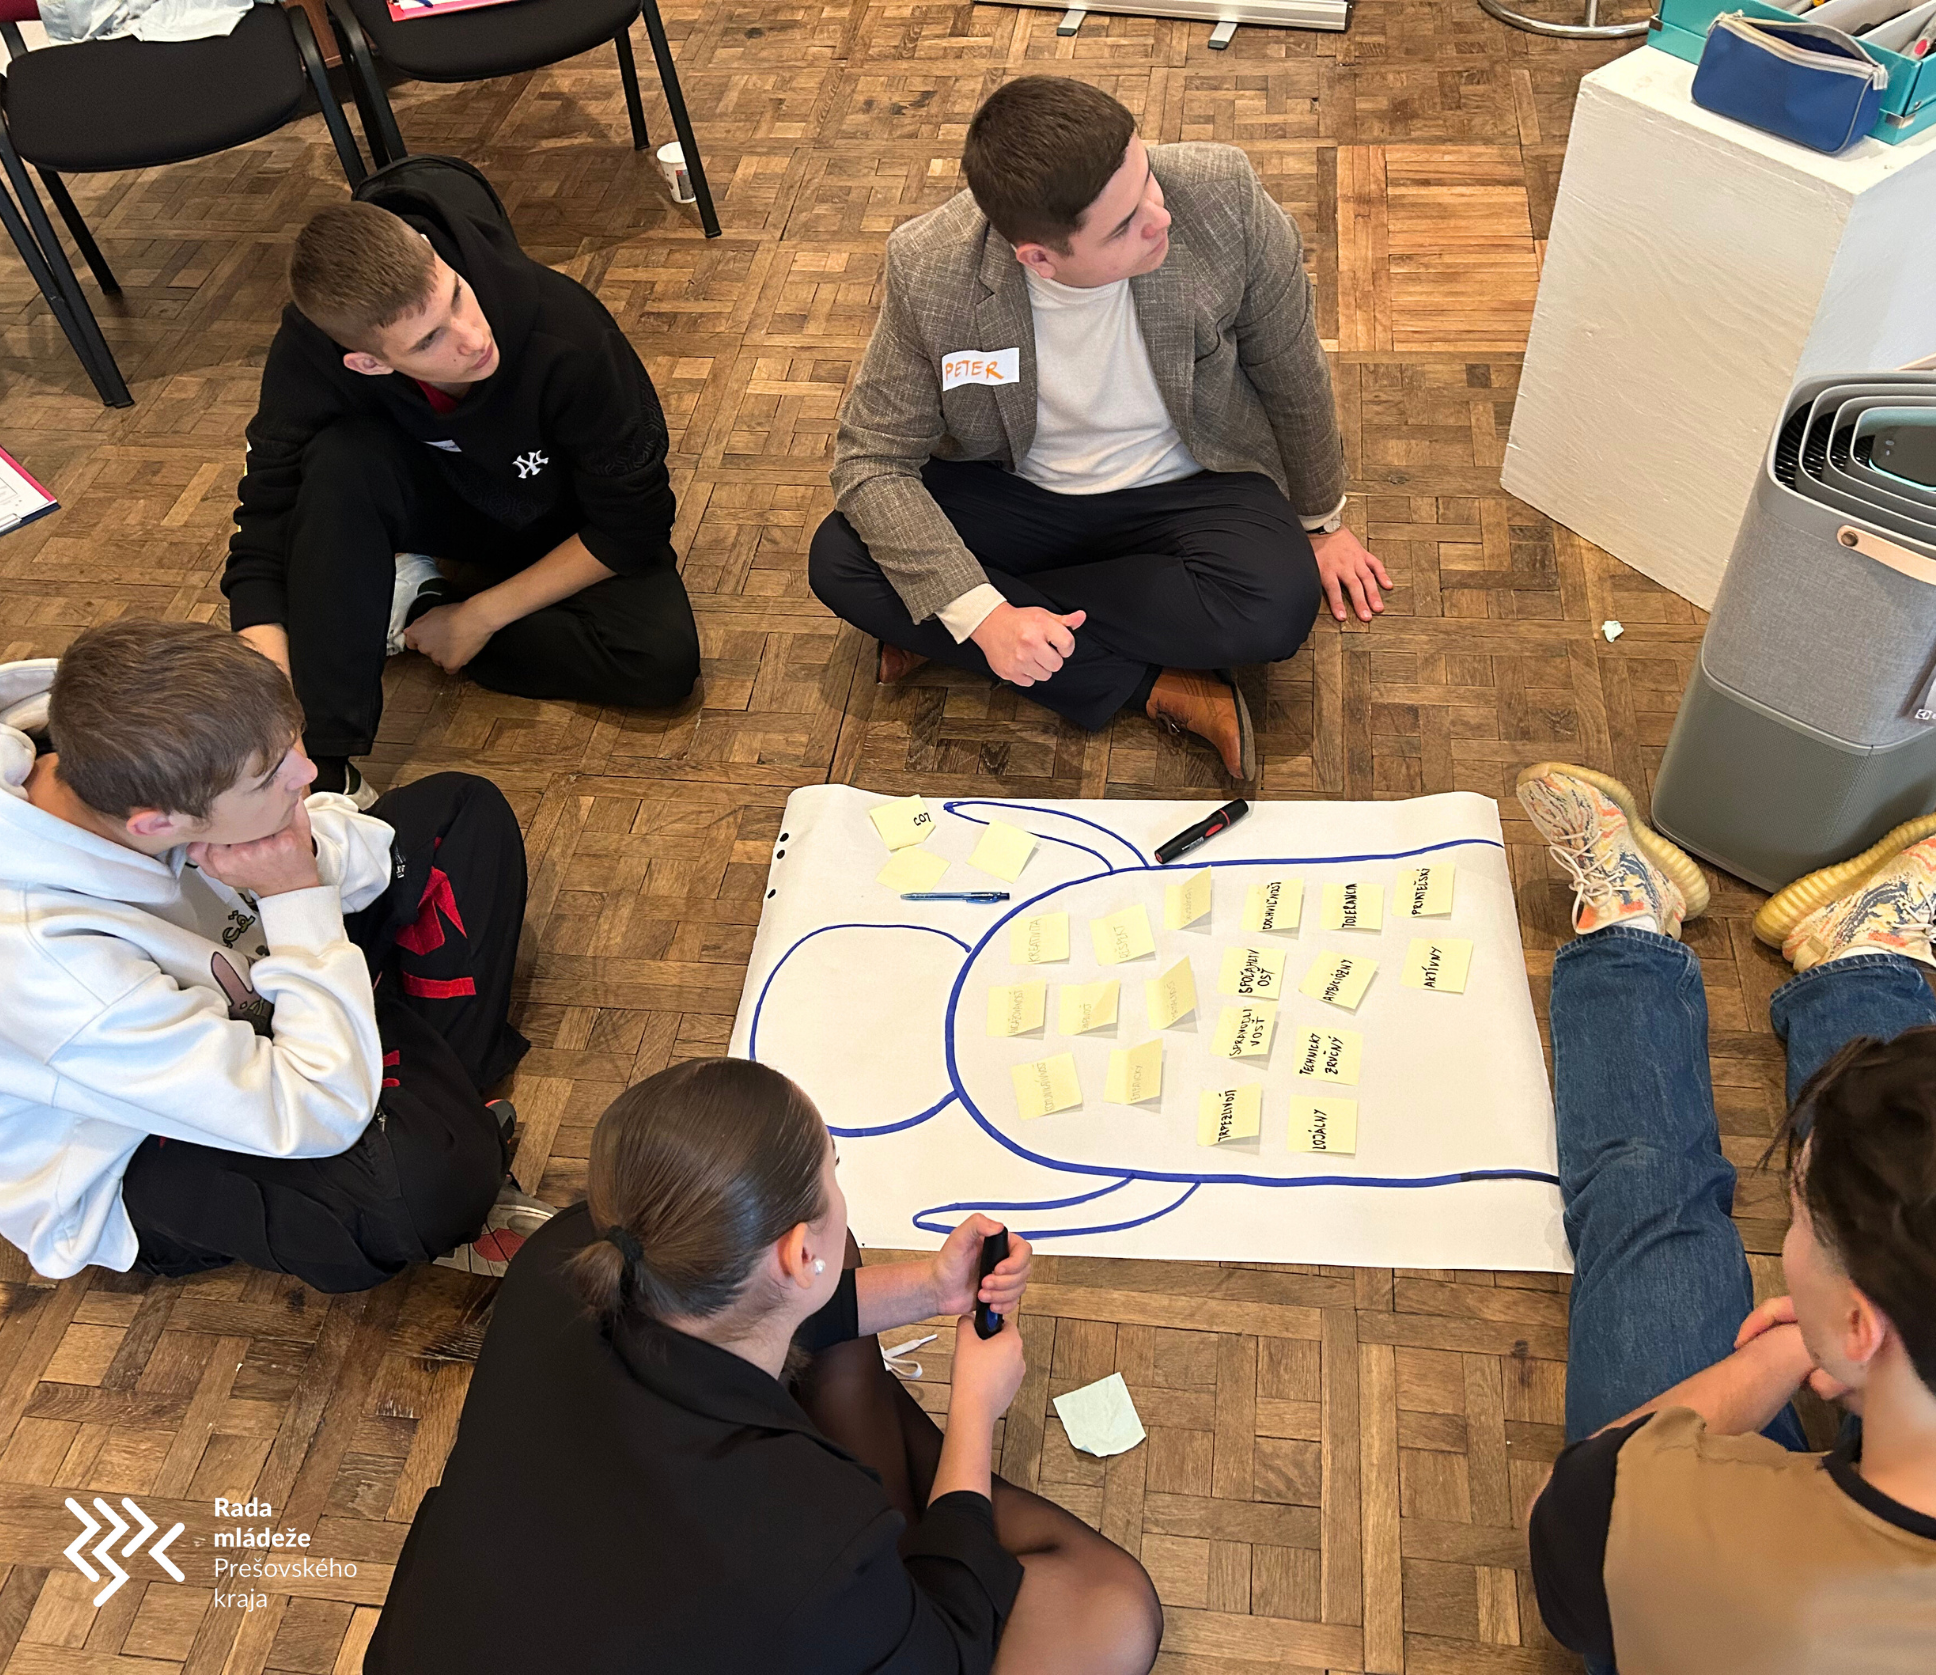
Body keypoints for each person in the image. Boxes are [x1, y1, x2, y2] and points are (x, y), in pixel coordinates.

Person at [367, 1056, 1163, 1674]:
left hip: (481, 1626)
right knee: (1111, 1608)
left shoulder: (571, 1248)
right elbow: (946, 1650)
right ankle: (918, 1533)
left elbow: (757, 1299)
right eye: (834, 1166)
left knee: (844, 1289)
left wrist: (932, 1288)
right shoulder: (800, 1532)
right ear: (797, 1252)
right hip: (746, 1593)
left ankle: (912, 1536)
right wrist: (975, 1411)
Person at [1514, 762, 1936, 1674]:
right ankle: (1861, 956)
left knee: (1648, 1206)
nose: (1793, 1231)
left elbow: (1562, 1520)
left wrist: (1783, 1351)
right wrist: (1851, 1350)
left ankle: (1631, 933)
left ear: (1863, 1326)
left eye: (1803, 1211)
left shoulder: (1697, 1549)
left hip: (1740, 1586)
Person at [810, 75, 1389, 782]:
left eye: (1146, 180)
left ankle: (947, 628)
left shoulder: (1222, 195)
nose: (1159, 216)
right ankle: (1156, 687)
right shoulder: (931, 268)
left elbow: (1290, 364)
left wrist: (1321, 520)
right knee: (840, 558)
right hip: (1017, 491)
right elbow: (871, 459)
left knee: (1278, 607)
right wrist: (987, 618)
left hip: (1188, 485)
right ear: (1038, 256)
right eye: (1122, 227)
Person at [0, 619, 546, 1291]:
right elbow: (310, 1109)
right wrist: (292, 895)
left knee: (462, 813)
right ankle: (432, 1111)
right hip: (125, 1139)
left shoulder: (116, 733)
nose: (308, 772)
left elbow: (355, 845)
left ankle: (427, 1102)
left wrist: (300, 859)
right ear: (158, 825)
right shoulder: (50, 965)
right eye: (268, 777)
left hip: (251, 981)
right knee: (422, 1188)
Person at [223, 173, 700, 806]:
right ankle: (331, 771)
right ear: (369, 363)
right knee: (338, 460)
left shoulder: (568, 333)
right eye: (429, 340)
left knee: (660, 661)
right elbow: (264, 523)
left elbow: (634, 524)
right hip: (439, 500)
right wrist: (281, 732)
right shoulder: (312, 354)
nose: (472, 337)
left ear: (433, 253)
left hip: (565, 521)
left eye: (455, 296)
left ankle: (417, 606)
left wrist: (478, 616)